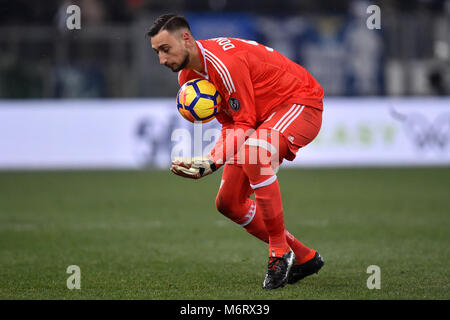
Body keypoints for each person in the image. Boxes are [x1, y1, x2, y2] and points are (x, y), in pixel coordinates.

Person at [147, 13, 324, 290]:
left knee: (254, 153)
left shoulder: (222, 63)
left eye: (165, 49)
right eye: (157, 52)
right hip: (262, 118)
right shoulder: (189, 76)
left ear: (186, 38)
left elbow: (244, 123)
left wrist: (212, 161)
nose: (161, 59)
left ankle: (279, 252)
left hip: (298, 102)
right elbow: (232, 123)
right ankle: (304, 257)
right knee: (228, 202)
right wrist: (210, 159)